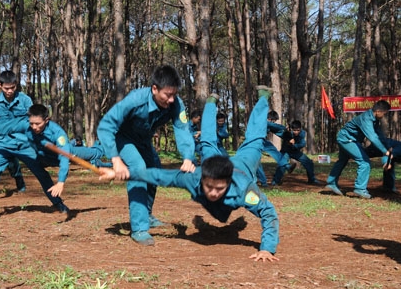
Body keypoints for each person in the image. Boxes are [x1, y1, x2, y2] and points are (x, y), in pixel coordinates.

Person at [99, 86, 280, 262]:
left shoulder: (244, 190)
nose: (213, 193)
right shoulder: (194, 178)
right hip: (215, 163)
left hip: (243, 165)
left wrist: (266, 248)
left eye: (220, 189)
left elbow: (268, 213)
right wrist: (120, 173)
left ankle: (263, 98)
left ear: (228, 184)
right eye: (209, 187)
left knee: (255, 140)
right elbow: (158, 176)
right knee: (207, 143)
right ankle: (210, 104)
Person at [97, 64, 195, 246]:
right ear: (154, 89)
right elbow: (105, 126)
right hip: (123, 139)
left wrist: (188, 157)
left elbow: (182, 129)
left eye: (174, 94)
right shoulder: (135, 100)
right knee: (139, 169)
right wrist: (116, 160)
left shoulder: (176, 104)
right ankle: (139, 228)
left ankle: (147, 215)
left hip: (143, 140)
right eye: (168, 95)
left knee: (154, 171)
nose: (172, 99)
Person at [0, 70, 69, 219]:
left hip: (24, 144)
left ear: (16, 85)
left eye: (13, 88)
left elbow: (25, 122)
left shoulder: (25, 100)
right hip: (3, 144)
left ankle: (57, 203)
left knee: (41, 173)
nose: (9, 91)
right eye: (6, 88)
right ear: (0, 85)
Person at [325, 100, 392, 199]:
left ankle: (331, 183)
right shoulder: (366, 118)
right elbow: (372, 137)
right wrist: (384, 151)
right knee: (365, 162)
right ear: (378, 111)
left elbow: (379, 134)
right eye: (384, 113)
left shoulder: (374, 119)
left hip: (346, 138)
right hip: (347, 139)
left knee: (342, 160)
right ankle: (360, 189)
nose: (384, 116)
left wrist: (387, 147)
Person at [272, 120, 320, 185]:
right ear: (291, 129)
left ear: (300, 129)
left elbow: (302, 144)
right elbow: (277, 131)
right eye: (294, 130)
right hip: (286, 151)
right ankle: (276, 181)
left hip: (295, 151)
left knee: (309, 162)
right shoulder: (286, 133)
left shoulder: (302, 134)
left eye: (298, 130)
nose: (296, 132)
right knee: (282, 164)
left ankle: (312, 179)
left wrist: (294, 145)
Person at [256, 110, 289, 187]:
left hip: (262, 141)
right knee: (257, 162)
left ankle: (287, 165)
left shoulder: (269, 124)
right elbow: (275, 126)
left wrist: (287, 136)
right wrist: (284, 127)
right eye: (274, 121)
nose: (274, 122)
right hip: (254, 142)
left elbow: (276, 130)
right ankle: (263, 183)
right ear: (270, 118)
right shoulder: (264, 121)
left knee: (274, 150)